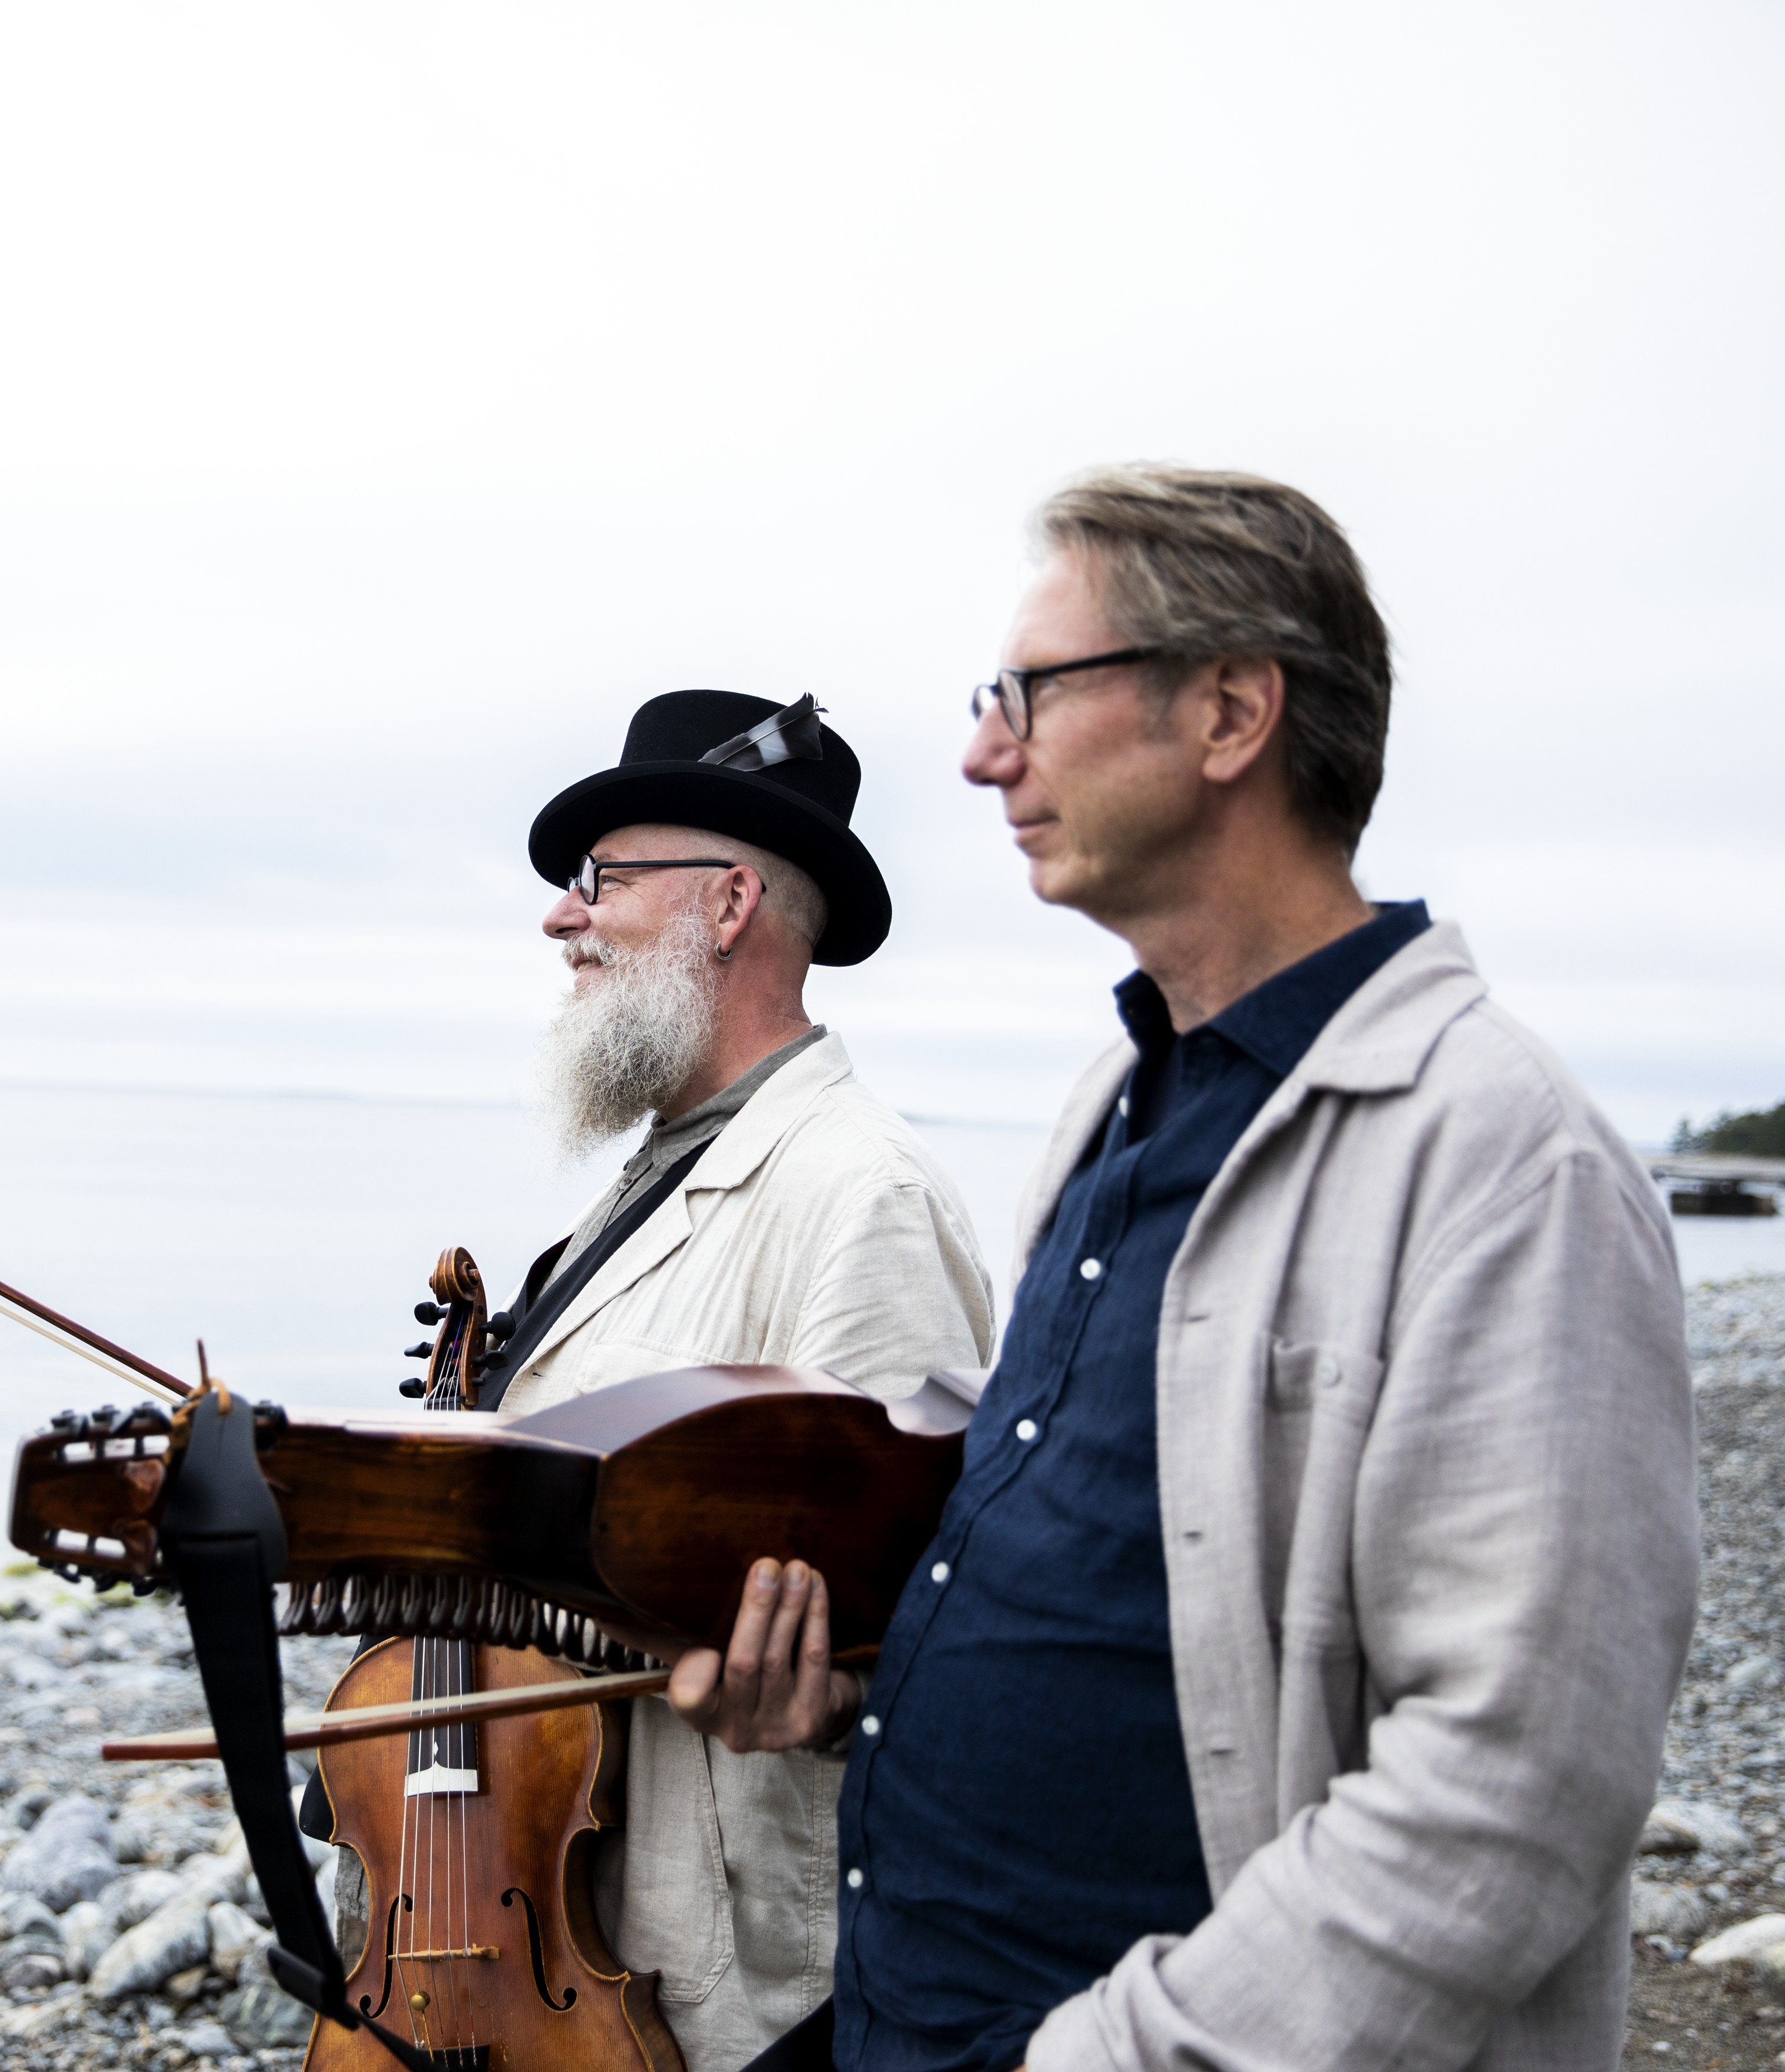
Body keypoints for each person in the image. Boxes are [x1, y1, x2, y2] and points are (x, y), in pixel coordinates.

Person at [669, 468, 1698, 2072]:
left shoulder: (1504, 1158)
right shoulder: (1121, 1103)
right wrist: (855, 1698)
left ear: (1227, 712)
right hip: (894, 2021)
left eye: (1028, 692)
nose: (978, 750)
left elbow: (1514, 1791)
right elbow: (1130, 1610)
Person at [484, 688, 999, 2070]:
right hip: (578, 1930)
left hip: (733, 1998)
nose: (560, 917)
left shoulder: (862, 1195)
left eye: (600, 879)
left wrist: (824, 1696)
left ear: (725, 906)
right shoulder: (647, 1177)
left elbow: (935, 1640)